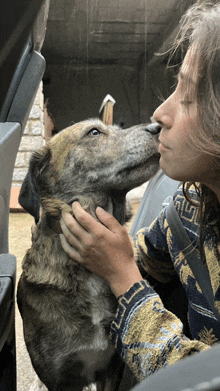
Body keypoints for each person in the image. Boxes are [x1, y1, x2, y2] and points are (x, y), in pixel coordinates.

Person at [60, 0, 220, 383]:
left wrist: (123, 277)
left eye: (187, 96)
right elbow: (145, 263)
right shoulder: (186, 209)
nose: (160, 114)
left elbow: (197, 379)